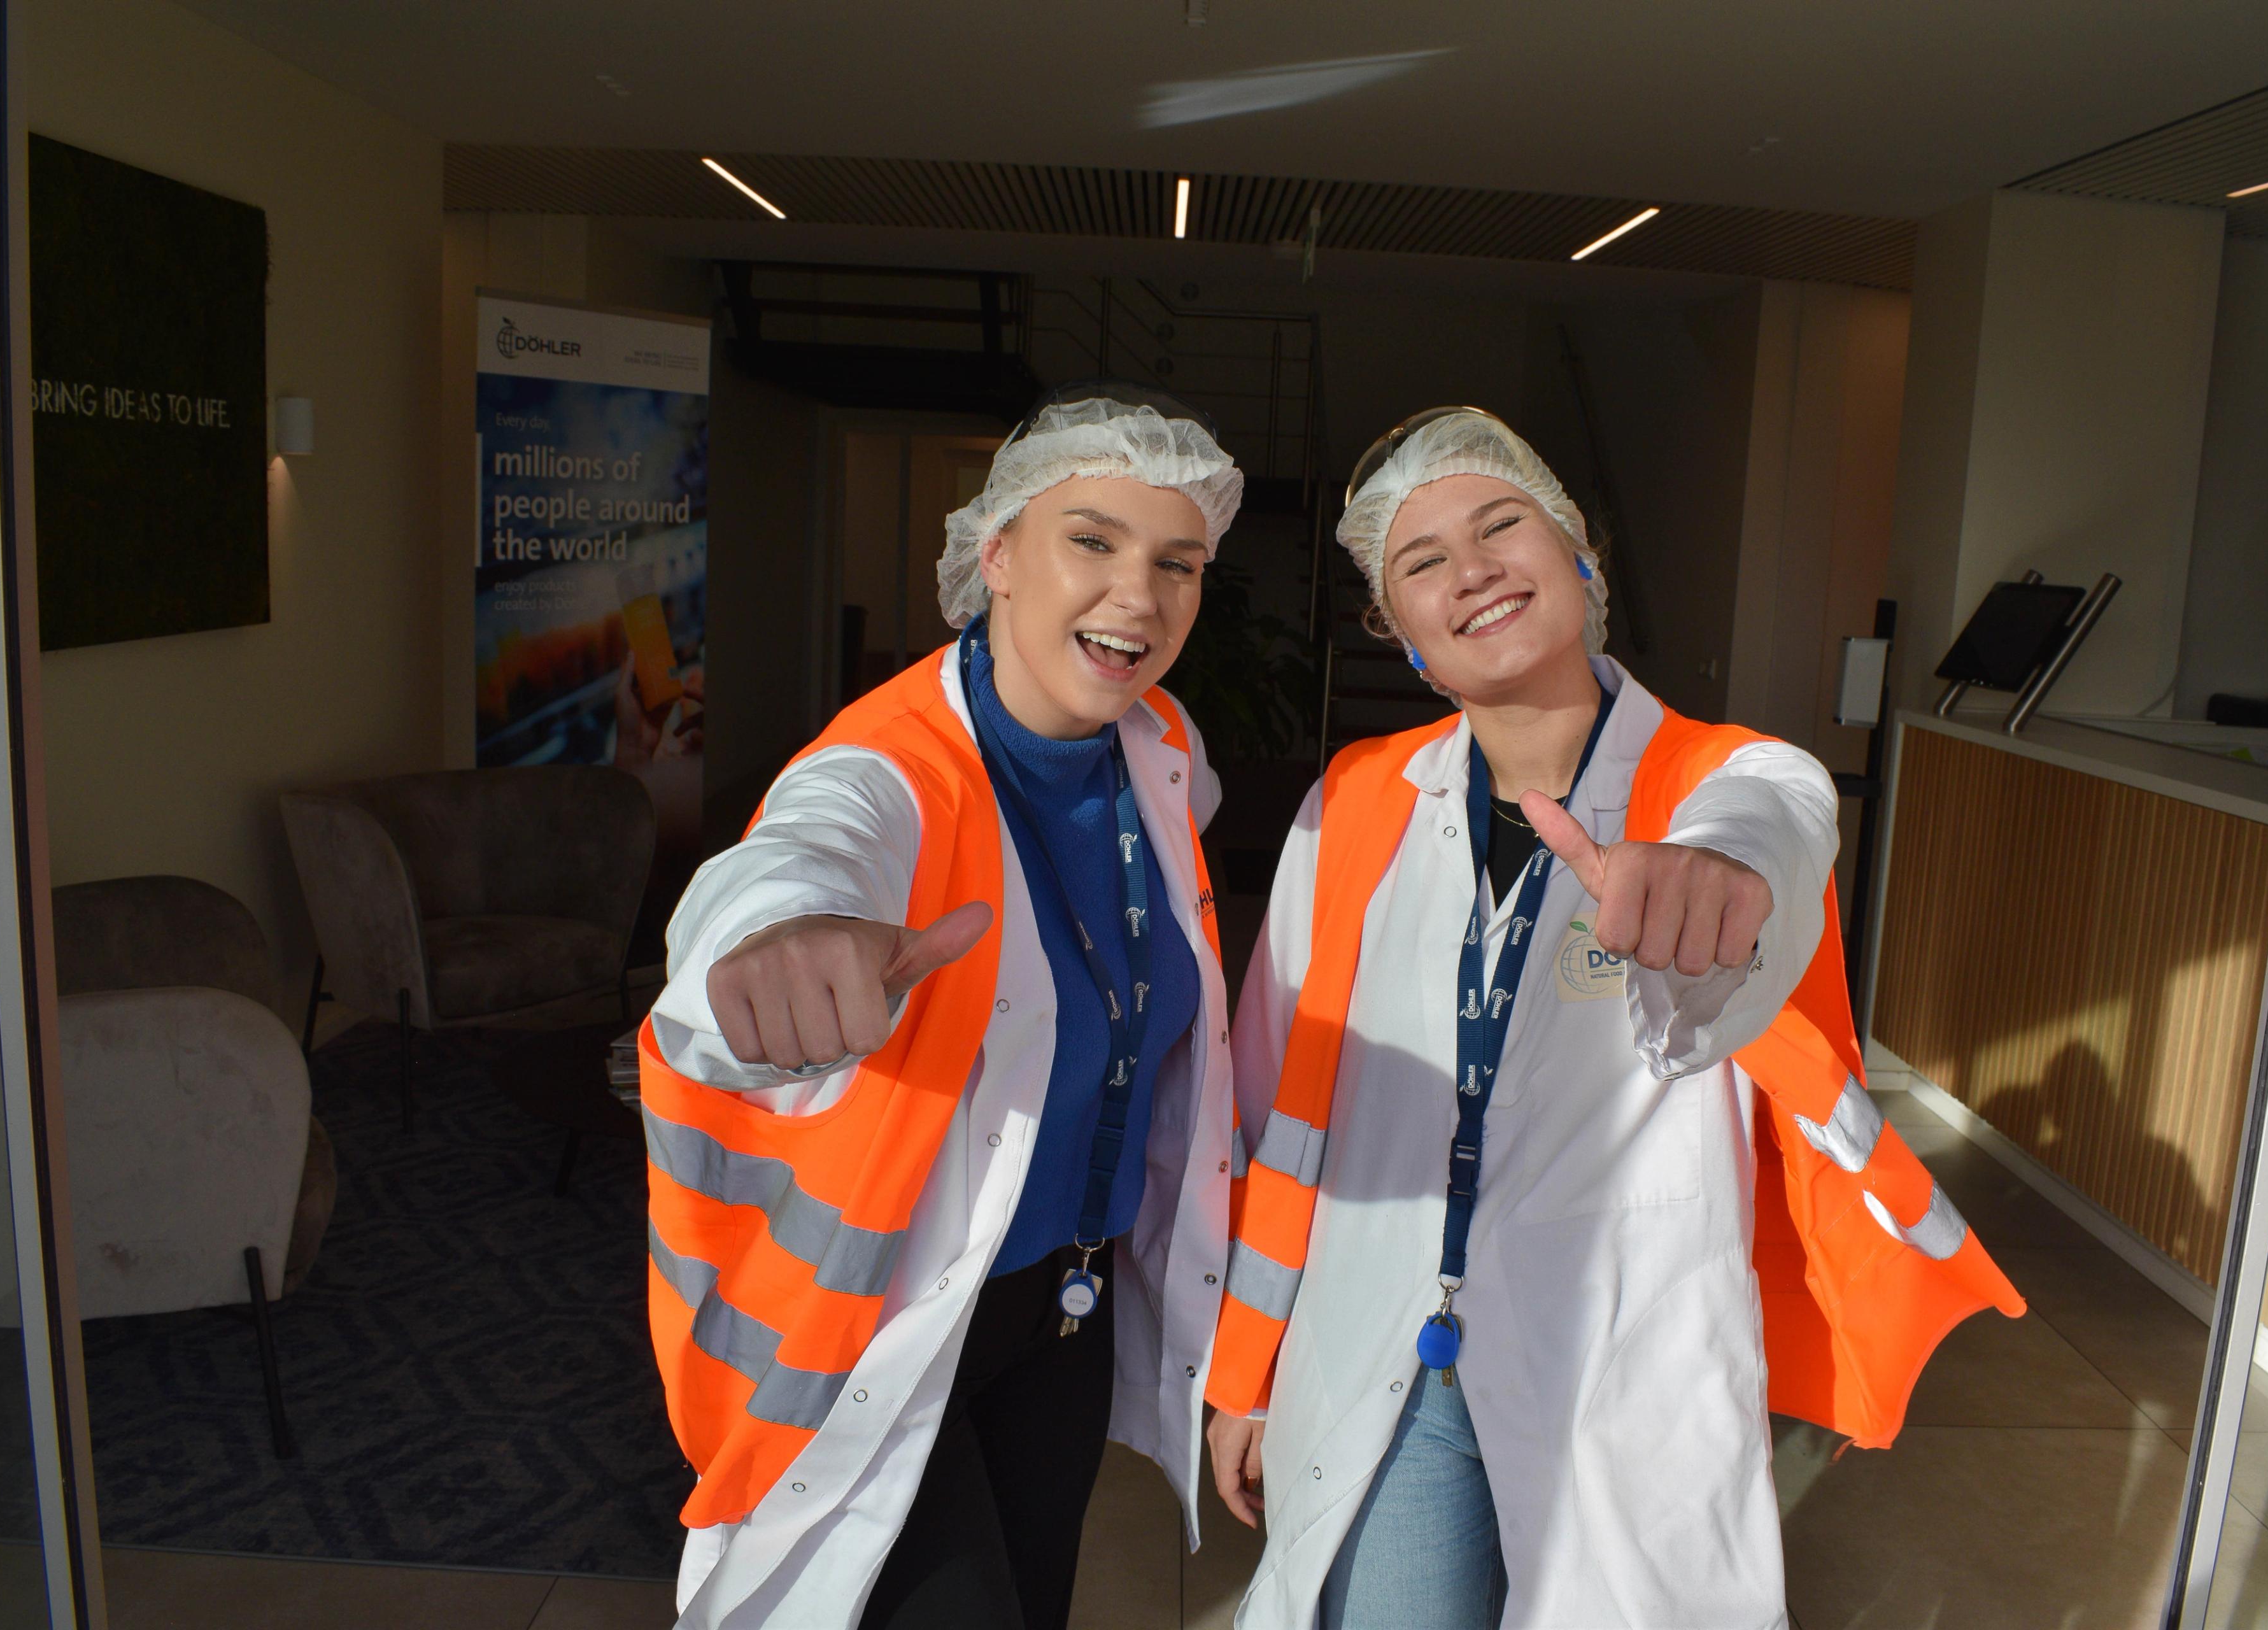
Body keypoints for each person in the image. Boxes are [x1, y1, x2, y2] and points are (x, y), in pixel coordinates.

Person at [1200, 408, 2024, 1629]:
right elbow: (1284, 1110)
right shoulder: (1357, 801)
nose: (1472, 570)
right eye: (1422, 561)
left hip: (1624, 1355)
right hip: (1384, 1346)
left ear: (1578, 551)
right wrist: (1246, 1369)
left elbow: (1772, 830)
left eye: (1501, 525)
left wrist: (1714, 876)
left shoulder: (1729, 779)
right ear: (1402, 633)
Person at [637, 385, 1245, 1630]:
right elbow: (808, 847)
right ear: (999, 555)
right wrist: (777, 936)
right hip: (888, 1317)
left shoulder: (1162, 748)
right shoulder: (892, 769)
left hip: (1065, 1309)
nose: (1139, 594)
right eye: (1093, 540)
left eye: (1176, 562)